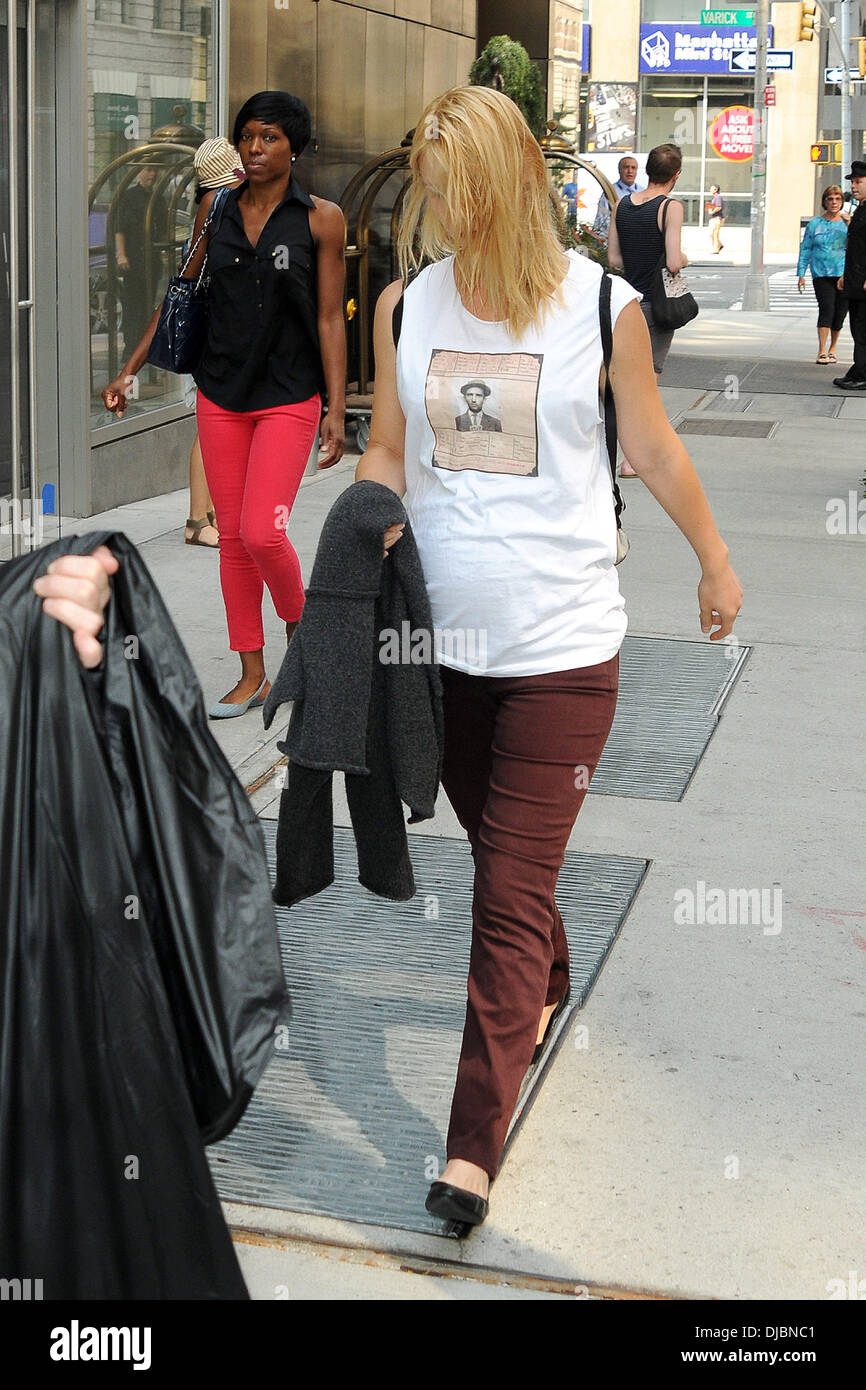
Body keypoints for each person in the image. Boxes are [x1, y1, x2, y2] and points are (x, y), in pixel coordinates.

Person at [357, 87, 742, 1228]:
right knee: (502, 860)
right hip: (437, 647)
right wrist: (345, 541)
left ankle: (469, 1146)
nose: (450, 219)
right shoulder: (404, 305)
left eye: (465, 195)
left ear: (514, 185)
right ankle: (550, 968)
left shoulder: (601, 306)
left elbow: (651, 445)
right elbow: (386, 446)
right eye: (436, 198)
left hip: (562, 651)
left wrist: (713, 560)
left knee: (502, 892)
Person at [102, 91, 347, 716]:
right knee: (233, 537)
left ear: (295, 145)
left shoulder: (322, 218)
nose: (254, 149)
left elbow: (328, 319)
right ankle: (251, 673)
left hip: (290, 393)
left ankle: (306, 649)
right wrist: (130, 369)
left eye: (268, 138)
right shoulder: (217, 210)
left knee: (265, 532)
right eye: (246, 138)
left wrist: (337, 411)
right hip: (221, 391)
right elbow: (181, 291)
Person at [606, 142, 687, 475]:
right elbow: (672, 261)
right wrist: (683, 260)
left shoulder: (622, 205)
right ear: (676, 175)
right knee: (647, 388)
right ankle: (632, 461)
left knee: (620, 382)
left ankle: (614, 454)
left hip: (624, 304)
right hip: (656, 307)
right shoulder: (670, 207)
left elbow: (613, 259)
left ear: (648, 169)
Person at [182, 137, 246, 549]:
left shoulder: (218, 208)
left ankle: (212, 512)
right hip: (212, 333)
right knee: (208, 429)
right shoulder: (215, 210)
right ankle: (195, 518)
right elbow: (193, 274)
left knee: (218, 428)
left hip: (224, 332)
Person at [114, 164, 168, 354]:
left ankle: (145, 348)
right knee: (132, 304)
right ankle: (131, 348)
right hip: (133, 259)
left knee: (148, 303)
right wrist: (122, 255)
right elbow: (120, 229)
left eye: (155, 170)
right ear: (139, 172)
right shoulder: (129, 197)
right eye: (148, 170)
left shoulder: (158, 199)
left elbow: (162, 230)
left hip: (151, 260)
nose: (152, 174)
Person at [797, 184, 849, 365]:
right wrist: (801, 273)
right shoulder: (815, 223)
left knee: (840, 312)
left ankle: (833, 348)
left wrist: (850, 224)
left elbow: (857, 247)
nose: (834, 202)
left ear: (842, 202)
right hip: (821, 273)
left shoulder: (847, 222)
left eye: (838, 199)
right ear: (824, 202)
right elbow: (806, 248)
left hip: (843, 273)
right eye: (830, 199)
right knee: (827, 308)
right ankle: (821, 350)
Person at [833, 160, 866, 390]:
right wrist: (846, 275)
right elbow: (855, 248)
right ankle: (857, 370)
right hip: (855, 280)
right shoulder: (861, 208)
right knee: (857, 327)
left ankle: (862, 374)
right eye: (853, 182)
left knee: (863, 329)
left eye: (858, 182)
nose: (853, 186)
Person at [593, 154, 644, 238]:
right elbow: (601, 222)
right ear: (619, 170)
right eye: (626, 167)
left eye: (633, 168)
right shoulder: (609, 192)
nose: (630, 171)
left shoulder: (642, 192)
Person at [705, 184, 725, 255]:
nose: (710, 190)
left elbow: (719, 207)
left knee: (715, 234)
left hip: (717, 217)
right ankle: (719, 245)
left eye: (711, 189)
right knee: (711, 234)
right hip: (714, 217)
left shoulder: (718, 197)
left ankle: (716, 249)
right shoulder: (714, 198)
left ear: (716, 189)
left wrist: (712, 212)